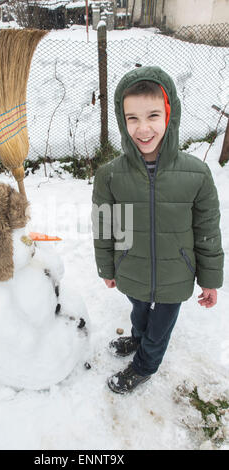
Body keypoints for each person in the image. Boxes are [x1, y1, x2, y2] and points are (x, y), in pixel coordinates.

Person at [92, 66, 224, 394]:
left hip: (176, 275)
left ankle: (145, 366)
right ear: (123, 122)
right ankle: (137, 338)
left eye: (153, 115)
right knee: (138, 311)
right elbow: (106, 227)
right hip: (132, 269)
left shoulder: (196, 174)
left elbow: (207, 230)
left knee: (160, 328)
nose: (143, 128)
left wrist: (209, 279)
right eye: (132, 118)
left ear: (170, 115)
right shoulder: (110, 176)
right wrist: (109, 268)